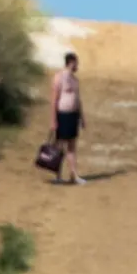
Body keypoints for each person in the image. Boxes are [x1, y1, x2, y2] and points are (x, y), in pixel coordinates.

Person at [49, 52, 85, 185]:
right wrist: (53, 120)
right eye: (77, 63)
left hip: (73, 115)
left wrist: (82, 117)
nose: (78, 66)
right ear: (71, 62)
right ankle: (57, 175)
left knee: (72, 146)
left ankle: (73, 175)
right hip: (62, 115)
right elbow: (54, 100)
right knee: (59, 146)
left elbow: (78, 100)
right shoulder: (59, 78)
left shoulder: (75, 80)